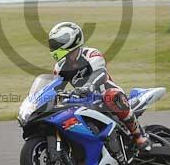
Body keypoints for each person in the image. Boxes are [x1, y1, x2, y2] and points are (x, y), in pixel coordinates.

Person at [48, 21, 151, 151]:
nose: (54, 47)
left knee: (111, 96)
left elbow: (100, 72)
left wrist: (88, 87)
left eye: (57, 43)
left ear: (72, 40)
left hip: (107, 94)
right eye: (53, 44)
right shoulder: (60, 67)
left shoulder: (91, 54)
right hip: (85, 100)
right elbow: (55, 88)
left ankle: (139, 136)